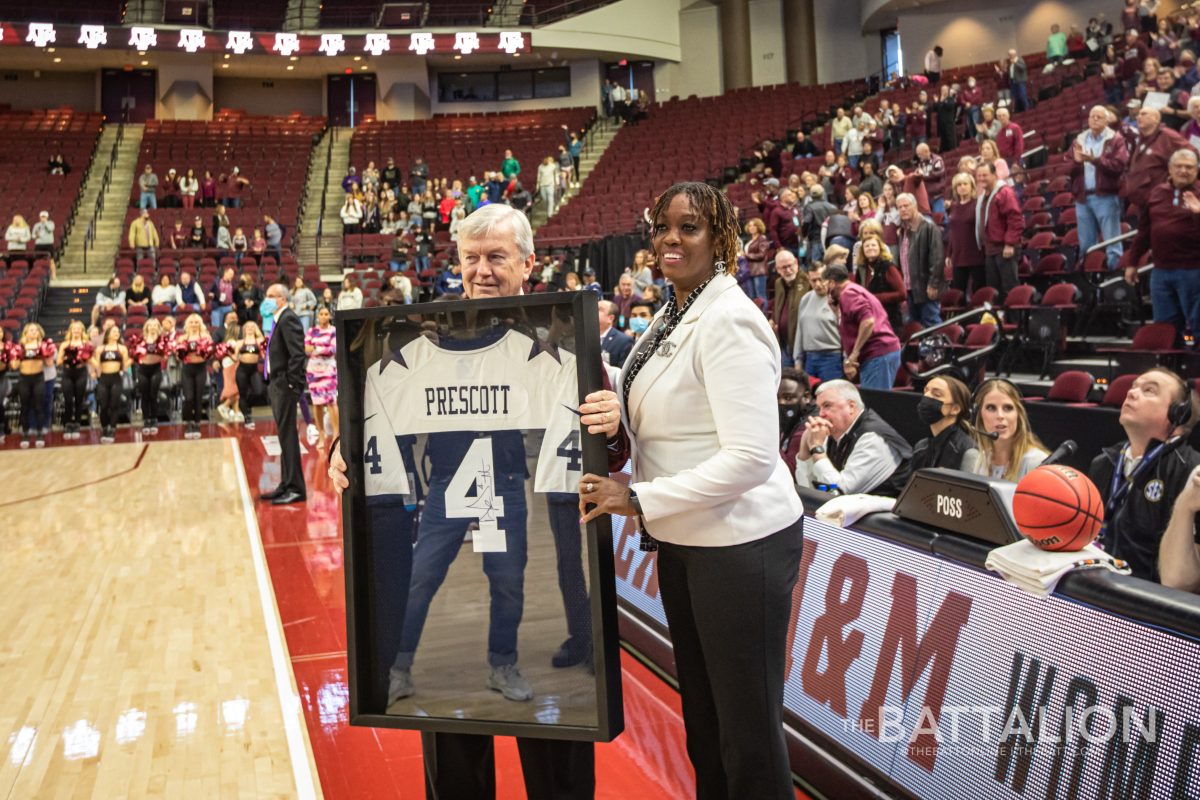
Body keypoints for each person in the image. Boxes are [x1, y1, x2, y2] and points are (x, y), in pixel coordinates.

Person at [330, 202, 628, 800]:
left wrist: (614, 428)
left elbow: (609, 452)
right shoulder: (422, 329)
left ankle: (505, 663)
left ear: (527, 262)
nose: (483, 270)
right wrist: (344, 445)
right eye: (472, 258)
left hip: (513, 496)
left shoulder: (563, 335)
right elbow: (373, 412)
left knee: (517, 595)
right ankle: (402, 666)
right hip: (446, 490)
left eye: (497, 257)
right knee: (428, 614)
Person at [573, 181, 803, 800]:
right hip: (687, 542)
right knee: (704, 723)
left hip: (742, 545)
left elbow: (751, 459)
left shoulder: (729, 319)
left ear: (721, 238)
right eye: (663, 226)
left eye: (690, 228)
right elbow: (657, 394)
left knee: (747, 733)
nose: (671, 239)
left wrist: (638, 498)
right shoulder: (674, 309)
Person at [1087, 368, 1200, 584]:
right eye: (1133, 387)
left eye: (1149, 391)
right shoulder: (1103, 462)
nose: (1131, 393)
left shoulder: (1191, 473)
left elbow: (1184, 584)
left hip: (1147, 605)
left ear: (1178, 413)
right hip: (1094, 592)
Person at [794, 379, 913, 496]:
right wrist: (805, 447)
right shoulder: (833, 433)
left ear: (851, 406)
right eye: (819, 408)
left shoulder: (873, 438)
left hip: (886, 512)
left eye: (827, 406)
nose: (821, 414)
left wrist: (816, 448)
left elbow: (837, 492)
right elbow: (808, 489)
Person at [824, 257, 902, 390]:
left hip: (878, 354)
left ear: (831, 283)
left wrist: (854, 355)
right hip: (879, 354)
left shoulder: (848, 293)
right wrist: (836, 310)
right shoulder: (852, 291)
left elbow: (868, 322)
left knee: (873, 404)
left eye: (824, 283)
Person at [262, 283, 306, 505]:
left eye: (270, 296)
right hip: (277, 383)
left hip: (285, 385)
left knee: (288, 437)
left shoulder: (288, 318)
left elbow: (297, 355)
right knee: (283, 436)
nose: (266, 299)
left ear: (282, 298)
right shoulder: (277, 319)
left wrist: (291, 384)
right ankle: (286, 484)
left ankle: (296, 488)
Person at [1070, 105, 1130, 270]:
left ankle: (1115, 277)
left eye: (1099, 117)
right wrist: (1075, 161)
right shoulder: (1079, 140)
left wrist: (1094, 159)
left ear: (1107, 120)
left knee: (1112, 242)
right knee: (1086, 245)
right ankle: (1090, 277)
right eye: (1092, 116)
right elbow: (1069, 170)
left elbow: (1118, 166)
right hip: (1082, 198)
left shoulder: (1115, 139)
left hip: (1106, 196)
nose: (1095, 119)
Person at [963, 378, 1048, 481]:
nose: (1000, 416)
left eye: (1008, 408)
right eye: (991, 408)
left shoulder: (1036, 463)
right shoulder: (980, 461)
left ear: (1018, 414)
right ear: (979, 415)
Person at [910, 375, 979, 472]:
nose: (926, 396)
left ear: (955, 409)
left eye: (937, 395)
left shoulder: (967, 451)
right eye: (925, 391)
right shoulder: (920, 447)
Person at [896, 192, 944, 327]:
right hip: (910, 287)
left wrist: (933, 283)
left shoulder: (928, 226)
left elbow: (937, 257)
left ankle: (938, 348)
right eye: (900, 207)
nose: (903, 209)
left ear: (915, 206)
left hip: (925, 286)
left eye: (906, 206)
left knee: (931, 323)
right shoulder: (903, 229)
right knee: (916, 326)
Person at [977, 161, 1023, 298]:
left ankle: (1014, 320)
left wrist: (1009, 243)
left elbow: (1015, 219)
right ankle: (1000, 319)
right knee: (994, 292)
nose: (981, 179)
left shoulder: (1004, 193)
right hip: (991, 249)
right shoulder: (984, 196)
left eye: (985, 175)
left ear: (994, 175)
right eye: (978, 176)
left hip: (1004, 248)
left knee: (1010, 289)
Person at [793, 260, 843, 381]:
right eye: (813, 280)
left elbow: (846, 330)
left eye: (821, 279)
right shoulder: (805, 298)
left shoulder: (838, 298)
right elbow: (800, 331)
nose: (818, 284)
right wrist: (797, 360)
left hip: (832, 357)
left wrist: (847, 359)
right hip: (809, 357)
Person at [7, 323, 55, 448]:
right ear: (26, 333)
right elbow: (14, 366)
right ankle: (25, 433)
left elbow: (49, 364)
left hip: (39, 378)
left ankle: (40, 433)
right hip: (24, 379)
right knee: (25, 407)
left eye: (35, 330)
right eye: (31, 330)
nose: (34, 332)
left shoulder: (43, 345)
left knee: (39, 406)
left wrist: (46, 353)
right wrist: (17, 355)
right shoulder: (20, 346)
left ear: (39, 333)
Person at [173, 313, 215, 439]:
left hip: (201, 369)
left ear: (200, 324)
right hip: (187, 369)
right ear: (187, 324)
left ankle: (197, 423)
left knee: (198, 397)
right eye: (191, 322)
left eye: (196, 322)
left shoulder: (206, 336)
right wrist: (179, 352)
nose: (194, 324)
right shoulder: (182, 338)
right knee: (189, 398)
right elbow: (177, 356)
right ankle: (188, 422)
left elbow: (211, 354)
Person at [855, 233, 905, 334]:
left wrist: (875, 298)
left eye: (873, 245)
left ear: (880, 248)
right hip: (869, 320)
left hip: (890, 320)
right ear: (863, 250)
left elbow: (902, 294)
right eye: (867, 246)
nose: (870, 248)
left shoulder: (888, 267)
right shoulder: (861, 270)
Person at [945, 172, 986, 293]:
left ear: (971, 186)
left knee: (979, 290)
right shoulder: (954, 207)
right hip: (958, 254)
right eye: (959, 185)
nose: (962, 187)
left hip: (976, 253)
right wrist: (949, 253)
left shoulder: (978, 204)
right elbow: (953, 231)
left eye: (965, 184)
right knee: (958, 291)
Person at [91, 324, 131, 444]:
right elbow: (97, 365)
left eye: (118, 331)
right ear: (108, 334)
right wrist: (89, 360)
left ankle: (112, 428)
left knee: (114, 404)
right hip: (103, 378)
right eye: (114, 331)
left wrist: (134, 357)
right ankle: (104, 428)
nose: (116, 333)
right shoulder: (100, 349)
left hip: (116, 378)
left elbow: (125, 366)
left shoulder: (122, 348)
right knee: (103, 405)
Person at [304, 306, 338, 444]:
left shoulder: (333, 331)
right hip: (313, 371)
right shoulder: (311, 331)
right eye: (321, 314)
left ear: (330, 316)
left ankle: (336, 434)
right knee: (316, 403)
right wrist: (322, 349)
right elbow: (306, 349)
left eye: (326, 314)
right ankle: (322, 434)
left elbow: (333, 349)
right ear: (317, 316)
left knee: (331, 402)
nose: (324, 316)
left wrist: (316, 348)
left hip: (328, 369)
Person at [769, 250, 807, 368]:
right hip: (784, 343)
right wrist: (773, 320)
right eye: (783, 268)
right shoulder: (778, 283)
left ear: (796, 263)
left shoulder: (807, 280)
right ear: (777, 269)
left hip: (801, 344)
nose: (787, 270)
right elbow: (778, 306)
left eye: (789, 266)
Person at [56, 320, 93, 439]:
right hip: (67, 372)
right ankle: (67, 424)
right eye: (74, 328)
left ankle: (77, 423)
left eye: (79, 328)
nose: (76, 331)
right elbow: (58, 362)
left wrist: (83, 357)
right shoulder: (65, 344)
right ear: (70, 330)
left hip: (81, 372)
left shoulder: (86, 343)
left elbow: (90, 360)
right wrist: (67, 357)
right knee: (67, 399)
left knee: (79, 399)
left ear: (82, 331)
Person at [131, 317, 168, 435]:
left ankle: (154, 419)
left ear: (158, 327)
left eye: (154, 325)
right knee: (144, 395)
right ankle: (146, 420)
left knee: (153, 394)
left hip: (156, 369)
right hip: (142, 370)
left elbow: (166, 356)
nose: (152, 327)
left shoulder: (162, 340)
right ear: (146, 327)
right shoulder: (140, 339)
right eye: (150, 325)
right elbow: (134, 354)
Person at [778, 366, 816, 476]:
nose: (782, 403)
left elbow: (789, 471)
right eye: (777, 398)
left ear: (806, 396)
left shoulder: (809, 424)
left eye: (788, 398)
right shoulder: (790, 417)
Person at [231, 320, 266, 429]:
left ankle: (247, 406)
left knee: (259, 391)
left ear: (255, 328)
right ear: (244, 329)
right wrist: (227, 352)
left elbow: (264, 356)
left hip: (254, 369)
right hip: (242, 370)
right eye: (248, 326)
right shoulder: (240, 342)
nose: (250, 328)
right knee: (242, 394)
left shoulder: (259, 341)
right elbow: (235, 358)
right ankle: (247, 417)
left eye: (252, 326)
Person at [598, 299, 633, 367]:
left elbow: (623, 372)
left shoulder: (624, 341)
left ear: (610, 318)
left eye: (599, 309)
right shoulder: (584, 338)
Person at [743, 218, 771, 301]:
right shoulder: (750, 240)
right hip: (750, 271)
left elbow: (761, 255)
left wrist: (746, 255)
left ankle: (764, 313)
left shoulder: (762, 239)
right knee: (752, 296)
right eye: (750, 225)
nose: (751, 227)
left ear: (759, 227)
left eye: (754, 225)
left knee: (760, 296)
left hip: (759, 271)